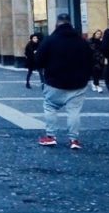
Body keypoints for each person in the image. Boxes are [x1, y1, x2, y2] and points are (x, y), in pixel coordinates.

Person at [35, 13, 93, 150]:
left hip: (54, 81)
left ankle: (50, 136)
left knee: (50, 107)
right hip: (78, 83)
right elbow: (91, 60)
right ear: (71, 24)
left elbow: (38, 60)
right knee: (74, 111)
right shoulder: (81, 41)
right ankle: (74, 139)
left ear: (57, 24)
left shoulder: (50, 40)